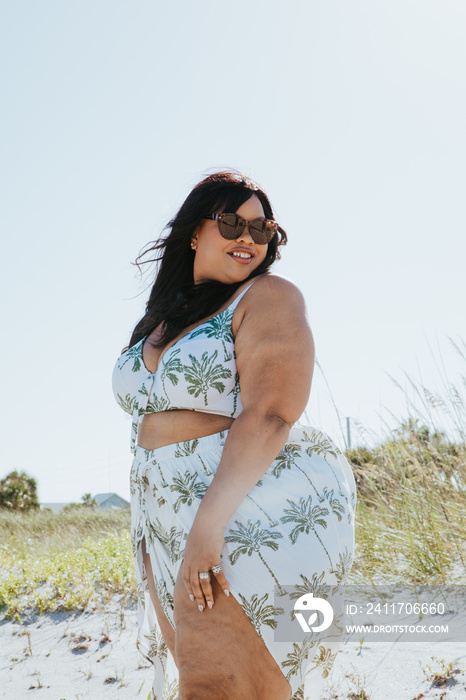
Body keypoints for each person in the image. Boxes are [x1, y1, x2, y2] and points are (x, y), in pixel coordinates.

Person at [112, 170, 357, 700]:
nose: (247, 237)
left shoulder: (267, 296)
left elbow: (271, 413)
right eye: (230, 223)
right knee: (214, 685)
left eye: (261, 229)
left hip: (238, 510)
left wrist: (208, 528)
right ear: (194, 232)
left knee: (215, 687)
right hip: (163, 514)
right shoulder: (163, 317)